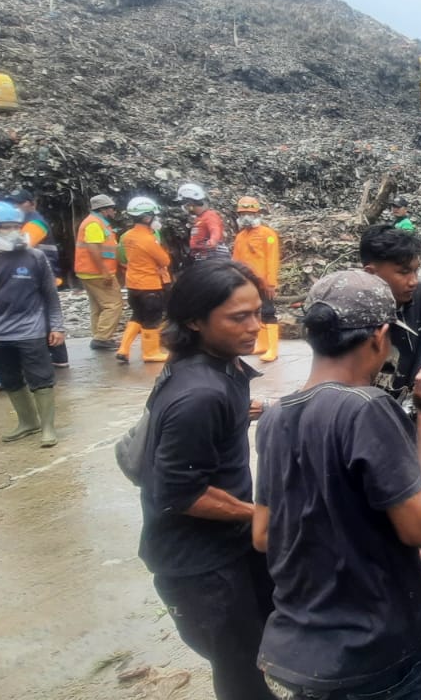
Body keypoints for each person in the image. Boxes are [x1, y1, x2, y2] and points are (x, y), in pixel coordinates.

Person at [252, 270, 421, 700]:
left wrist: (384, 550)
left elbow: (264, 535)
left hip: (298, 652)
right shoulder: (365, 407)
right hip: (373, 655)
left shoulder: (274, 418)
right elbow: (420, 526)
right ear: (379, 336)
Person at [138, 260, 273, 700]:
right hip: (198, 565)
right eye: (239, 317)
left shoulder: (223, 369)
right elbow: (177, 492)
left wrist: (245, 412)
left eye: (257, 312)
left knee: (264, 644)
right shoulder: (199, 394)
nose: (255, 326)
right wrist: (262, 516)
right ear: (195, 321)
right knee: (241, 673)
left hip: (230, 546)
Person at [0, 202, 67, 447]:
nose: (12, 232)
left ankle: (48, 428)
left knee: (41, 379)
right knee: (9, 379)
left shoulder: (34, 257)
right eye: (5, 228)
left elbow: (50, 295)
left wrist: (56, 326)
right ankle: (28, 422)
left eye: (15, 227)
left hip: (31, 330)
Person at [359, 226, 421, 396]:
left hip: (415, 388)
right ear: (371, 273)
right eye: (404, 272)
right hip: (370, 396)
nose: (413, 281)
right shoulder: (356, 311)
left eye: (416, 270)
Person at [13, 190, 69, 368]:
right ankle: (56, 356)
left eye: (19, 203)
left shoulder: (35, 222)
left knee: (45, 315)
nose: (16, 207)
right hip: (38, 274)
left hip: (43, 275)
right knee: (43, 315)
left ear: (31, 203)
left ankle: (58, 356)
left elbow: (22, 245)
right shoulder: (25, 222)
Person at [115, 197, 172, 364]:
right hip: (150, 285)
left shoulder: (127, 237)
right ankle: (151, 352)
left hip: (133, 285)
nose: (156, 219)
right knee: (151, 319)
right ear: (147, 218)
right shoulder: (148, 239)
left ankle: (123, 349)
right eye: (154, 216)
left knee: (137, 316)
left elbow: (124, 256)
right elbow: (165, 261)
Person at [231, 197, 281, 362]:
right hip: (246, 282)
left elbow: (272, 259)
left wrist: (271, 283)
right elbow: (236, 261)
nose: (246, 217)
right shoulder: (240, 237)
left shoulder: (268, 234)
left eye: (250, 213)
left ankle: (273, 348)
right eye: (243, 213)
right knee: (255, 313)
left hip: (263, 283)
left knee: (268, 312)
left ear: (257, 214)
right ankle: (262, 344)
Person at [75, 194, 124, 351]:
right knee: (113, 304)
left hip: (88, 271)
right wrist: (105, 271)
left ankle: (99, 335)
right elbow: (93, 248)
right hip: (97, 272)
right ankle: (102, 338)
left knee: (98, 306)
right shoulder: (94, 224)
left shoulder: (96, 222)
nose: (114, 211)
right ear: (103, 210)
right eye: (112, 208)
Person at [178, 182, 230, 262]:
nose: (185, 207)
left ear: (191, 203)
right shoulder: (199, 219)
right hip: (202, 255)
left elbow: (215, 229)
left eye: (185, 204)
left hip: (213, 256)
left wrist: (213, 240)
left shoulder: (209, 215)